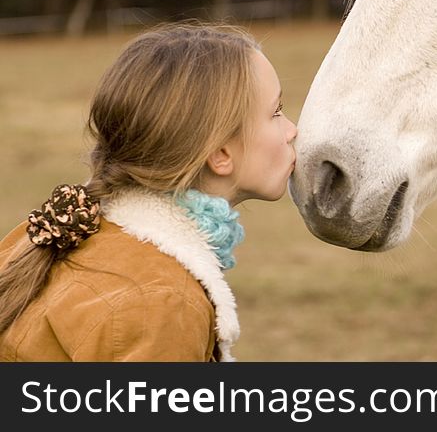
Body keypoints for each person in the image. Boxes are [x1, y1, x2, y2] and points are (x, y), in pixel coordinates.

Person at [0, 21, 298, 361]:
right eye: (275, 112)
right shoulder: (164, 302)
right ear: (220, 154)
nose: (291, 130)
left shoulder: (51, 237)